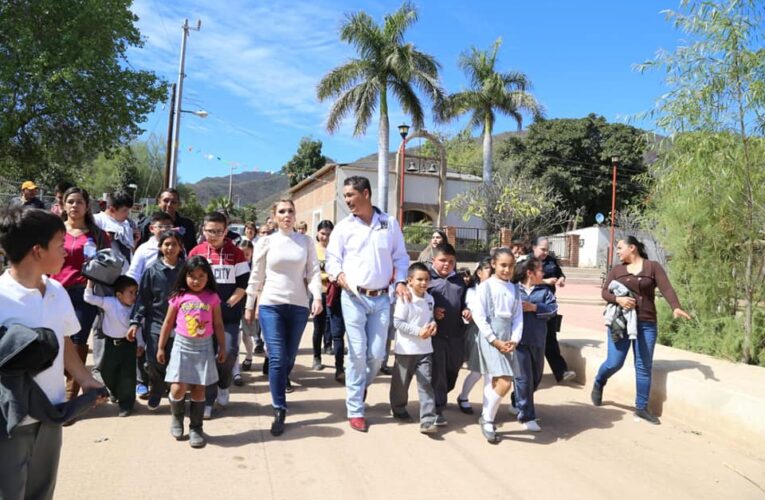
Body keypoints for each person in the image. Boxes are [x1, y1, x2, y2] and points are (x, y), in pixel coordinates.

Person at [0, 207, 105, 498]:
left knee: (42, 491)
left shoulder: (57, 291)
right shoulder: (1, 296)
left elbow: (65, 342)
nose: (66, 253)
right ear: (37, 250)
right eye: (60, 245)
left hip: (51, 414)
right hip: (11, 420)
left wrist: (85, 379)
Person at [326, 176, 410, 433]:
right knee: (358, 353)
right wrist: (337, 274)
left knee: (376, 356)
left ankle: (360, 384)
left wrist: (401, 281)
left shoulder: (389, 223)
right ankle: (355, 409)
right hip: (353, 297)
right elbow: (332, 259)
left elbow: (401, 257)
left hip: (382, 299)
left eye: (351, 195)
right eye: (345, 196)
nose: (347, 200)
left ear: (366, 193)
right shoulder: (343, 227)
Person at [592, 236, 691, 425]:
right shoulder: (617, 270)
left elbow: (667, 288)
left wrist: (675, 307)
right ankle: (599, 381)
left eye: (620, 248)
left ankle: (641, 408)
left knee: (643, 366)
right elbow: (605, 292)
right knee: (615, 362)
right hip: (620, 322)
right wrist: (618, 299)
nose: (617, 251)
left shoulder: (652, 267)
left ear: (632, 248)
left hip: (646, 323)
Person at [245, 199, 322, 436]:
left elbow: (314, 272)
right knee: (277, 357)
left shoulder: (306, 241)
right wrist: (250, 304)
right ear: (274, 216)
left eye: (290, 211)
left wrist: (317, 297)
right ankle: (279, 408)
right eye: (282, 211)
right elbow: (256, 275)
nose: (286, 215)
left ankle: (281, 382)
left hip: (298, 306)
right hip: (271, 304)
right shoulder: (266, 242)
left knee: (288, 357)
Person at [157, 256, 226, 448]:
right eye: (192, 276)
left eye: (201, 276)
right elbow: (168, 323)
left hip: (204, 347)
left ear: (207, 277)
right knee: (178, 387)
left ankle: (196, 427)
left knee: (198, 388)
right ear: (184, 276)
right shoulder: (178, 296)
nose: (196, 280)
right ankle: (177, 417)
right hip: (182, 346)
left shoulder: (212, 297)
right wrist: (161, 347)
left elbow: (218, 324)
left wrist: (222, 346)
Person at [50, 187, 111, 400]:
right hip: (55, 292)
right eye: (71, 201)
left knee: (77, 342)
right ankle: (52, 390)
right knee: (55, 340)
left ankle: (70, 395)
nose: (75, 206)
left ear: (87, 207)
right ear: (64, 205)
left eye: (79, 202)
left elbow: (108, 264)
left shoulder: (98, 235)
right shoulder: (53, 231)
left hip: (84, 295)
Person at [189, 212, 250, 418]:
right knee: (206, 359)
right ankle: (207, 400)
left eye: (218, 231)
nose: (213, 235)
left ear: (226, 231)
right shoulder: (196, 252)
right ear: (203, 230)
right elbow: (189, 284)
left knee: (228, 354)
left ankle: (224, 385)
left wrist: (230, 302)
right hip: (202, 318)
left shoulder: (236, 254)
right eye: (209, 231)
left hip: (229, 317)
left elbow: (243, 285)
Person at [128, 230, 184, 410]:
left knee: (177, 359)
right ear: (160, 247)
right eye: (166, 244)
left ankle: (175, 392)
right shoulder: (152, 271)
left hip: (182, 323)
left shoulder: (186, 270)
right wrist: (135, 322)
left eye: (174, 244)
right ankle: (157, 390)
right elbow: (142, 299)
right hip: (156, 322)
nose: (170, 248)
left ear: (180, 247)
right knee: (154, 360)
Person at [472, 248, 523, 444]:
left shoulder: (515, 289)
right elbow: (479, 315)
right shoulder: (486, 287)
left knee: (497, 381)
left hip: (508, 339)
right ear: (493, 264)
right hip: (491, 338)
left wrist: (515, 340)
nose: (507, 270)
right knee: (505, 382)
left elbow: (518, 318)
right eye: (503, 265)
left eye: (511, 266)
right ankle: (487, 418)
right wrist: (493, 339)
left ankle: (487, 417)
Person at [389, 262, 438, 434]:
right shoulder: (405, 298)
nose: (423, 283)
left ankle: (428, 419)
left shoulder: (430, 298)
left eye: (426, 280)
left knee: (426, 384)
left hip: (425, 350)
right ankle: (398, 408)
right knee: (401, 384)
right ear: (409, 281)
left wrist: (433, 326)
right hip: (406, 351)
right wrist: (419, 332)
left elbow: (430, 318)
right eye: (419, 280)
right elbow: (397, 322)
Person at [511, 257, 558, 432]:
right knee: (524, 379)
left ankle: (517, 400)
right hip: (519, 342)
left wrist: (535, 308)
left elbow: (553, 309)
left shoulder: (545, 292)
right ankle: (527, 416)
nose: (543, 273)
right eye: (540, 270)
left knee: (536, 379)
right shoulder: (513, 290)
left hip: (538, 341)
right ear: (530, 273)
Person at [427, 243, 470, 426]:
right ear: (433, 260)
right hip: (436, 335)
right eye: (443, 260)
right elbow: (419, 302)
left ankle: (443, 393)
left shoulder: (460, 281)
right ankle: (437, 409)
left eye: (451, 261)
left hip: (456, 333)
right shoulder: (427, 280)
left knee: (453, 368)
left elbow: (466, 301)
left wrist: (467, 309)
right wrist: (432, 312)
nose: (447, 264)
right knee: (439, 373)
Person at [84, 276, 139, 416]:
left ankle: (126, 405)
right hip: (110, 344)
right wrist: (90, 281)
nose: (134, 296)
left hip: (129, 345)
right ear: (119, 295)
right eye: (130, 292)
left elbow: (140, 328)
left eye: (135, 292)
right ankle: (115, 391)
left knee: (128, 376)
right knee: (107, 372)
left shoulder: (136, 308)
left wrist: (141, 344)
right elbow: (89, 298)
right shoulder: (110, 303)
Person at [531, 237, 576, 383]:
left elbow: (560, 273)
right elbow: (521, 279)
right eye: (542, 249)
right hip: (530, 305)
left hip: (548, 305)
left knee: (550, 339)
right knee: (530, 342)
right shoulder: (526, 262)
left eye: (547, 249)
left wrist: (561, 279)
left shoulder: (551, 261)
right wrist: (544, 281)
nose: (545, 252)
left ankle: (561, 372)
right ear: (534, 247)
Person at [456, 257, 493, 414]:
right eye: (490, 271)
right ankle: (463, 397)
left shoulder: (500, 288)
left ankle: (488, 408)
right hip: (478, 334)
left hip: (495, 335)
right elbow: (475, 312)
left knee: (491, 373)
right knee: (477, 371)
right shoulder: (472, 291)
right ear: (479, 273)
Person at [139, 188, 197, 253]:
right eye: (166, 201)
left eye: (173, 202)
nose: (169, 205)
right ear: (159, 202)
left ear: (178, 204)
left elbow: (193, 250)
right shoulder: (148, 223)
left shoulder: (187, 225)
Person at [231, 239, 255, 385]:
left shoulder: (255, 268)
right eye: (241, 253)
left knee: (247, 336)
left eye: (247, 254)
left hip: (249, 305)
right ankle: (236, 372)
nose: (244, 257)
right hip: (235, 303)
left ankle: (250, 356)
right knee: (236, 338)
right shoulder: (234, 266)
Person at [311, 220, 334, 370]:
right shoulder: (313, 250)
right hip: (317, 293)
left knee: (332, 324)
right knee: (318, 326)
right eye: (322, 234)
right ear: (317, 234)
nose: (325, 237)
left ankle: (329, 346)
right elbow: (311, 272)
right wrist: (326, 276)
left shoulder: (336, 250)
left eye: (328, 234)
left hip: (333, 293)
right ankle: (316, 357)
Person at [94, 191, 135, 273]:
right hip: (106, 273)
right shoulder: (97, 220)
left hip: (125, 273)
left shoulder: (126, 224)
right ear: (112, 209)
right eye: (125, 210)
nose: (127, 214)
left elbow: (130, 248)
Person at [127, 212, 174, 282]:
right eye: (160, 226)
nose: (164, 229)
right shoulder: (143, 249)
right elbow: (133, 274)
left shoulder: (179, 248)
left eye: (168, 226)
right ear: (151, 228)